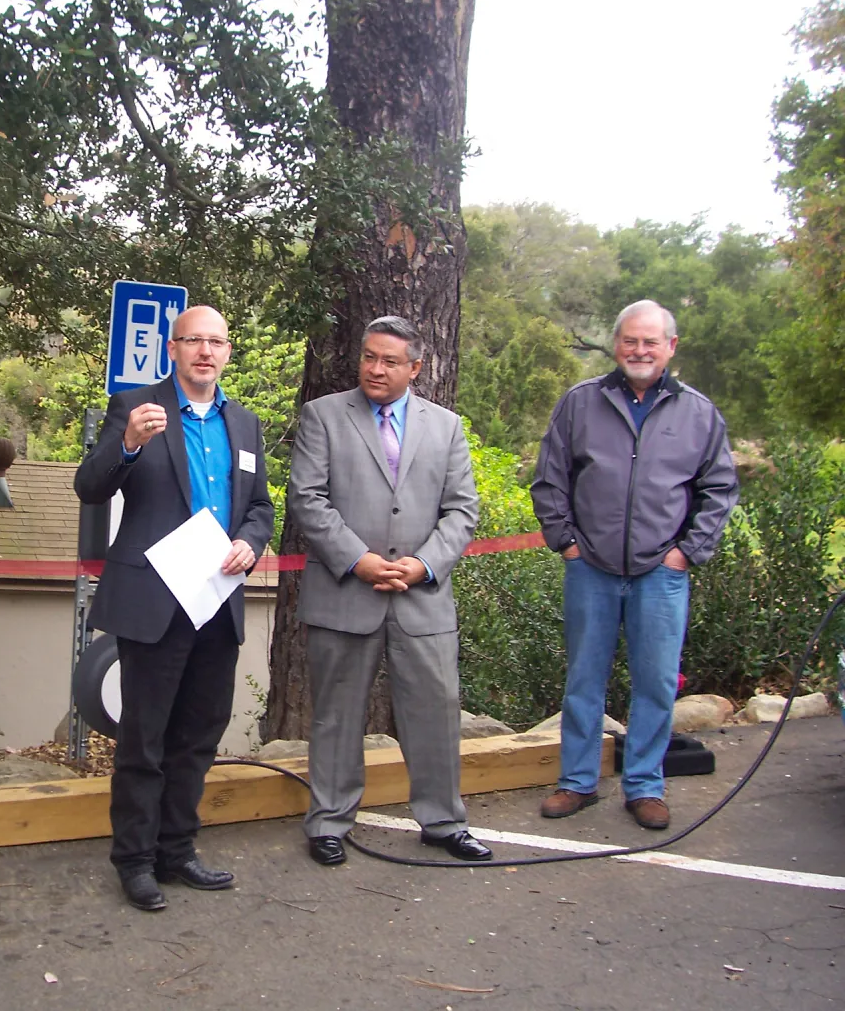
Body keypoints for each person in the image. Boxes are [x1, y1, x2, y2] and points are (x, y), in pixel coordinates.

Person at [74, 304, 274, 911]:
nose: (204, 352)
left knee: (198, 736)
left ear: (228, 351)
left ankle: (177, 850)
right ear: (173, 348)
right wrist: (129, 444)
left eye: (216, 341)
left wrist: (251, 542)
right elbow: (90, 486)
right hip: (155, 600)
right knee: (145, 738)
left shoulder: (244, 423)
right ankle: (134, 861)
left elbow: (261, 507)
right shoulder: (136, 407)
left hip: (217, 599)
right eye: (193, 341)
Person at [287, 315, 490, 865]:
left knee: (435, 710)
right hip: (344, 593)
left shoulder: (445, 427)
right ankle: (328, 821)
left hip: (422, 598)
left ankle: (444, 821)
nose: (376, 369)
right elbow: (307, 499)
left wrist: (424, 565)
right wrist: (360, 561)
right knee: (336, 713)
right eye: (369, 357)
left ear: (416, 368)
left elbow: (462, 509)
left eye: (390, 361)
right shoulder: (324, 416)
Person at [531, 299, 738, 830]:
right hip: (591, 569)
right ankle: (577, 781)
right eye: (630, 340)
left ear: (670, 347)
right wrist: (567, 543)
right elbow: (550, 479)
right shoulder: (580, 403)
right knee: (583, 680)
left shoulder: (698, 413)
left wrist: (686, 553)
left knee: (655, 682)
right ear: (616, 345)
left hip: (660, 575)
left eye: (651, 342)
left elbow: (718, 489)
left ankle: (645, 785)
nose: (639, 350)